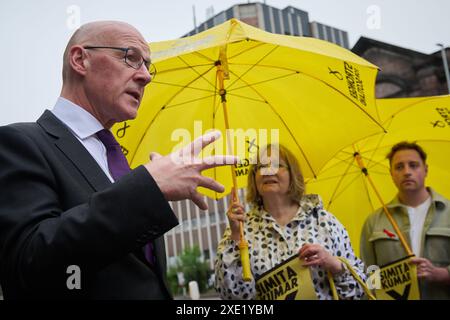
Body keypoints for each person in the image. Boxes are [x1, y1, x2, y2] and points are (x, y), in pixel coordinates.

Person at [0, 21, 237, 299]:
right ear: (80, 60)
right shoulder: (19, 143)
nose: (146, 76)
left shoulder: (122, 163)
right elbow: (28, 264)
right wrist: (150, 187)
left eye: (148, 65)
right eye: (131, 58)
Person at [215, 144, 366, 300]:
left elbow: (360, 290)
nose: (268, 171)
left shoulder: (325, 221)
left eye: (277, 165)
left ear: (293, 174)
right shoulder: (239, 230)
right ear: (254, 178)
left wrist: (334, 265)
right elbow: (231, 297)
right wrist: (235, 237)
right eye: (261, 167)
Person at [360, 141, 450, 299]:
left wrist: (440, 274)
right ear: (391, 173)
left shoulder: (448, 213)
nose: (407, 172)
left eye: (413, 165)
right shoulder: (374, 222)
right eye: (399, 167)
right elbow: (369, 271)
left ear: (426, 170)